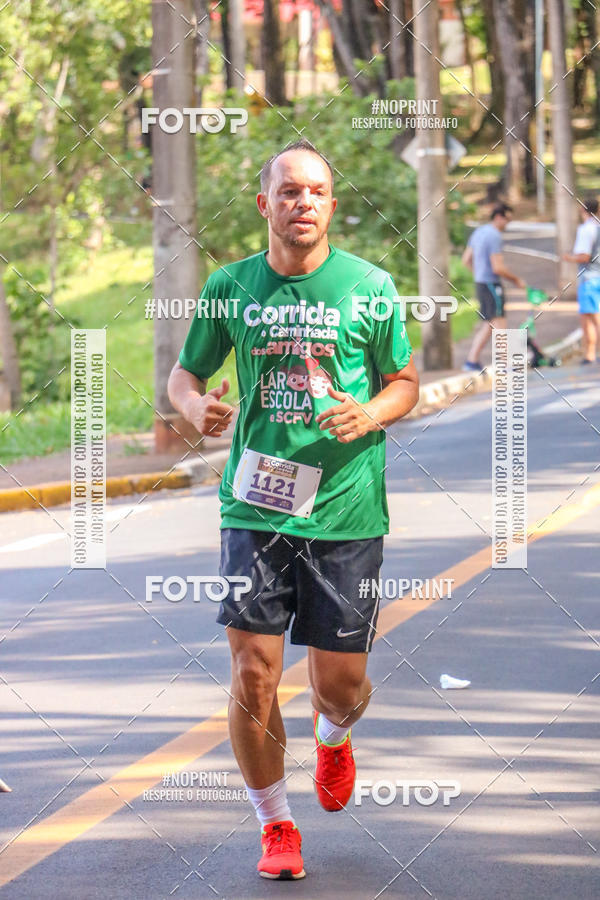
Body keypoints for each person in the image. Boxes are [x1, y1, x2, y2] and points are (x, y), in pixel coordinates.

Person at [167, 139, 419, 880]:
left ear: (331, 206)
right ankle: (275, 823)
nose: (302, 202)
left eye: (315, 191)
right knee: (253, 671)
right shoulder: (230, 286)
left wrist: (369, 413)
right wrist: (194, 408)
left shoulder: (370, 286)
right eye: (288, 191)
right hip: (255, 502)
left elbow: (405, 381)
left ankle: (333, 734)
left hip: (345, 510)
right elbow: (185, 375)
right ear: (265, 205)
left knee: (339, 685)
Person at [461, 203, 526, 372]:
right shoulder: (494, 235)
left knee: (489, 324)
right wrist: (516, 280)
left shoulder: (479, 232)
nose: (508, 223)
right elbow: (498, 267)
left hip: (481, 283)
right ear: (498, 217)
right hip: (491, 284)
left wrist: (478, 274)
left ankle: (471, 361)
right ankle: (504, 364)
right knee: (499, 323)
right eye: (507, 219)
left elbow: (466, 259)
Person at [563, 197, 600, 364]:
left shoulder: (586, 230)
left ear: (582, 210)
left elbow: (584, 256)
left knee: (590, 318)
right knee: (593, 316)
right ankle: (590, 353)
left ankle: (590, 354)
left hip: (588, 278)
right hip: (597, 277)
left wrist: (568, 258)